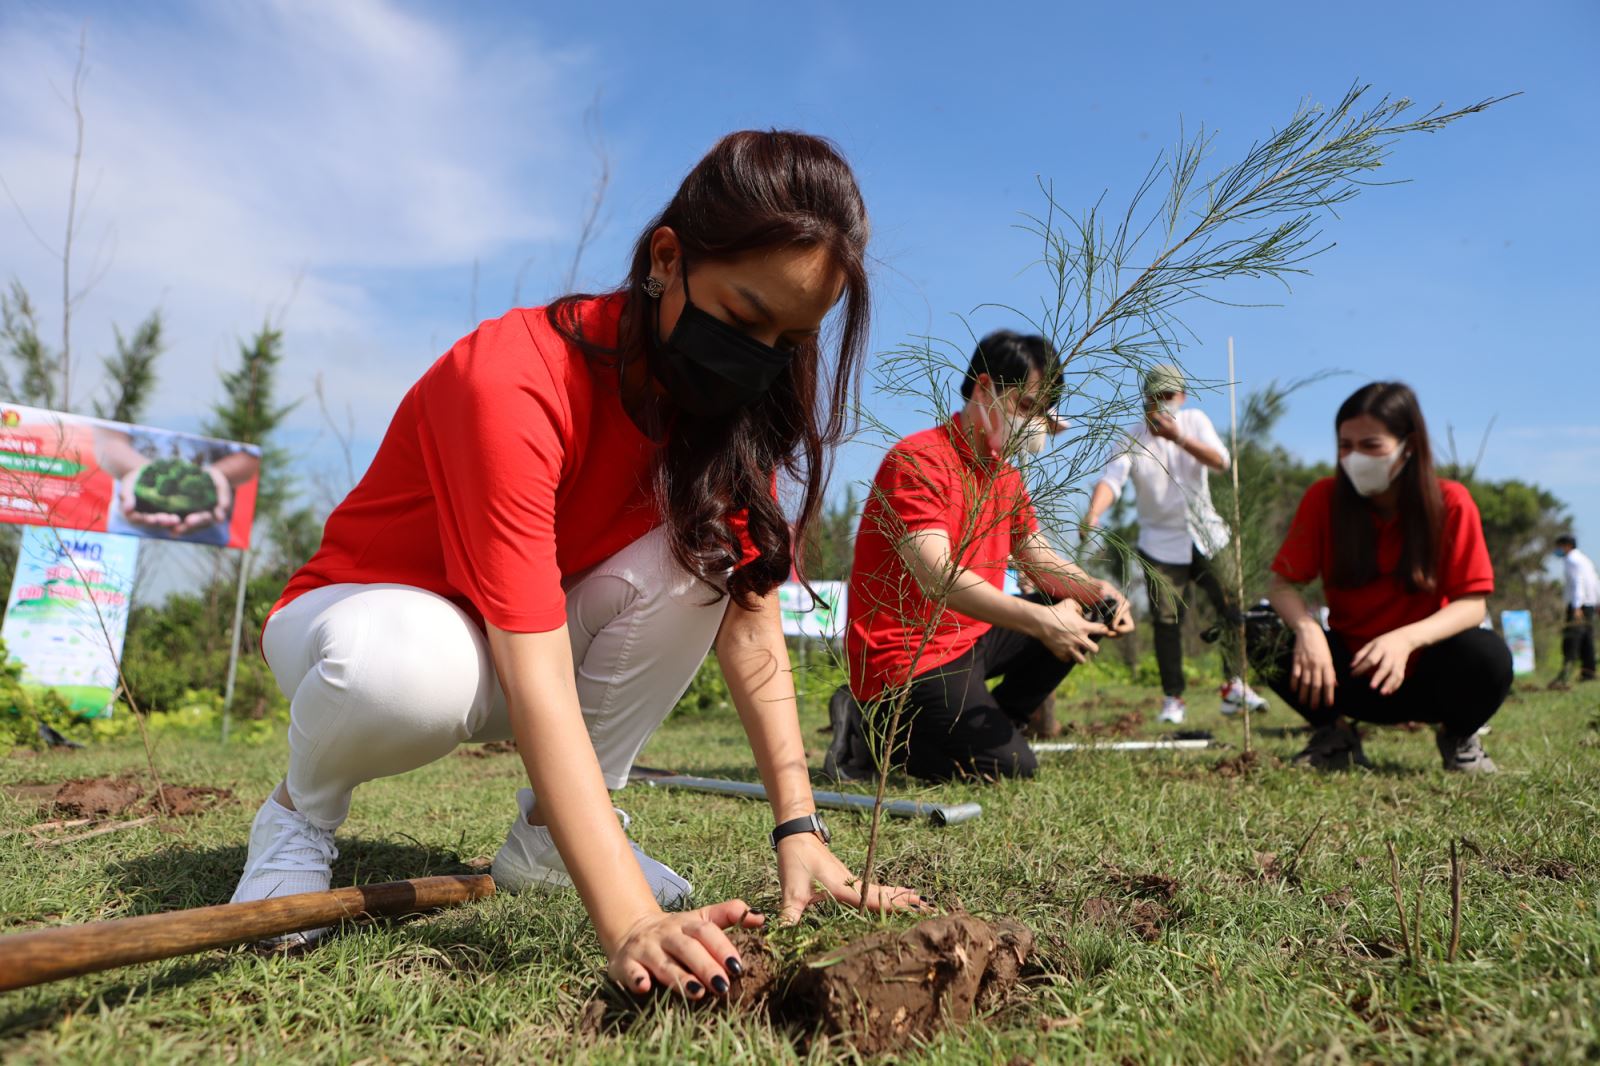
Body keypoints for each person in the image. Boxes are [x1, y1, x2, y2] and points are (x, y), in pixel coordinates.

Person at [231, 131, 925, 1000]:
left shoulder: (723, 419)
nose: (760, 360)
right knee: (403, 669)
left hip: (514, 640)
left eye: (788, 339)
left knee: (704, 561)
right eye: (746, 320)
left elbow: (749, 620)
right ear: (667, 259)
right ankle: (300, 816)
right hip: (364, 615)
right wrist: (631, 920)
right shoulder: (515, 375)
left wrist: (799, 828)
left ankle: (548, 842)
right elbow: (535, 664)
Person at [833, 330, 1134, 783]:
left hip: (970, 639)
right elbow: (939, 578)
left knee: (1086, 608)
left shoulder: (1004, 476)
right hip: (911, 657)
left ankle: (996, 725)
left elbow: (1038, 559)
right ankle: (866, 730)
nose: (1035, 425)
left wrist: (1099, 591)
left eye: (1043, 412)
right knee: (1010, 769)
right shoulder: (919, 460)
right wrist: (1040, 621)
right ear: (983, 389)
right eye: (1025, 407)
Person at [1260, 381, 1511, 772]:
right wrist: (1307, 630)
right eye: (1345, 445)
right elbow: (1281, 585)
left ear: (1408, 446)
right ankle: (1334, 733)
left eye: (1371, 445)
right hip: (1346, 677)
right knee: (1256, 631)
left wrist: (1406, 639)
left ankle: (1459, 735)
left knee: (1488, 654)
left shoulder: (1450, 502)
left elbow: (1472, 604)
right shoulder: (1323, 499)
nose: (1354, 457)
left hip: (1429, 676)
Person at [1082, 364, 1268, 724]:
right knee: (1167, 619)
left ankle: (1235, 686)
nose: (1161, 404)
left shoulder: (1195, 421)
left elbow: (1221, 462)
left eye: (1168, 396)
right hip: (1159, 542)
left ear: (1181, 397)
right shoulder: (1130, 439)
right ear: (1144, 400)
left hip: (1208, 535)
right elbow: (1112, 481)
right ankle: (1173, 698)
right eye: (1155, 397)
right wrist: (1093, 514)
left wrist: (1179, 439)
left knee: (1233, 603)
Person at [1552, 533, 1598, 686]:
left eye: (1559, 546)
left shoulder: (1572, 560)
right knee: (1586, 639)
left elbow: (1579, 583)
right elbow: (1594, 581)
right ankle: (1588, 672)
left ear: (1567, 546)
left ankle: (1566, 672)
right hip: (1589, 603)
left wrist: (1577, 606)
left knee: (1572, 639)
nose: (1557, 550)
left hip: (1578, 605)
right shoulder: (1585, 559)